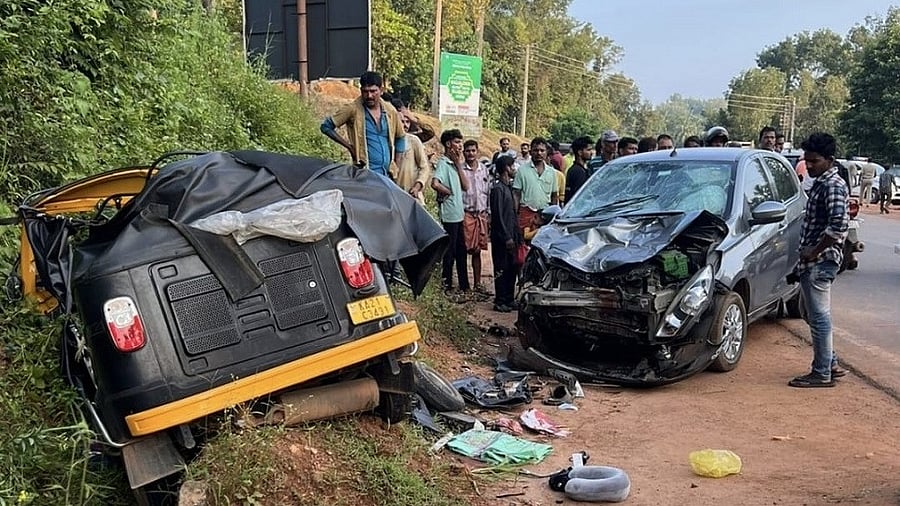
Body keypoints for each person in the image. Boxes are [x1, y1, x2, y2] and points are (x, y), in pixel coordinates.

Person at [788, 132, 849, 388]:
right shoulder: (821, 183)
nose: (809, 165)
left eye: (814, 161)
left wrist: (813, 252)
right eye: (807, 160)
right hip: (811, 262)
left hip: (821, 261)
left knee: (820, 316)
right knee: (806, 311)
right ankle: (830, 361)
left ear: (830, 160)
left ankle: (821, 372)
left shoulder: (832, 185)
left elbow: (838, 227)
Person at [320, 71, 406, 177]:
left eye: (373, 91)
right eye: (365, 91)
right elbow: (326, 127)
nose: (369, 96)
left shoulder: (390, 110)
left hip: (387, 175)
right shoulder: (353, 109)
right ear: (361, 91)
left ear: (381, 90)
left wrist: (397, 166)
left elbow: (401, 137)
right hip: (365, 173)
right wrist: (349, 147)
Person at [431, 129, 470, 292]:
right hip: (449, 216)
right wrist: (446, 191)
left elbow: (466, 186)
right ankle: (447, 286)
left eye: (461, 142)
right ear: (448, 144)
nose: (460, 146)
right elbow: (434, 183)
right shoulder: (443, 163)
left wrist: (458, 164)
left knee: (461, 251)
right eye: (457, 142)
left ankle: (464, 286)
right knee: (450, 253)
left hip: (458, 214)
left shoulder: (455, 164)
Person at [489, 156, 522, 312]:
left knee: (512, 268)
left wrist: (516, 235)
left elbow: (513, 214)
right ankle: (500, 300)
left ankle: (509, 298)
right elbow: (498, 216)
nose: (514, 169)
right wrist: (506, 237)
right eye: (512, 166)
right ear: (506, 168)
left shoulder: (508, 187)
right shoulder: (497, 189)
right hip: (502, 238)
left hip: (512, 236)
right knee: (501, 268)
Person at [461, 140, 491, 293]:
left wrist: (488, 213)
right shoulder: (459, 170)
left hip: (481, 214)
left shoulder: (484, 170)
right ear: (463, 152)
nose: (470, 154)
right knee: (466, 248)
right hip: (466, 214)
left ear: (477, 151)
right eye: (467, 151)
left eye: (473, 150)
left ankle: (477, 284)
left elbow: (488, 192)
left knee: (478, 251)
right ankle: (464, 284)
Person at [513, 137, 558, 237]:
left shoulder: (551, 172)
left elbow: (554, 195)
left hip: (545, 216)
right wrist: (515, 216)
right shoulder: (522, 170)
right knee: (524, 247)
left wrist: (552, 216)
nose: (539, 153)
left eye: (542, 150)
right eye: (536, 150)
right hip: (526, 216)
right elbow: (516, 195)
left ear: (546, 152)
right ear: (530, 152)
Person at [393, 111, 431, 203]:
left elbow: (424, 167)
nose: (405, 125)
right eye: (402, 122)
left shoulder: (413, 141)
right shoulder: (387, 141)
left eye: (407, 122)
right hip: (393, 196)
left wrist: (417, 186)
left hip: (411, 195)